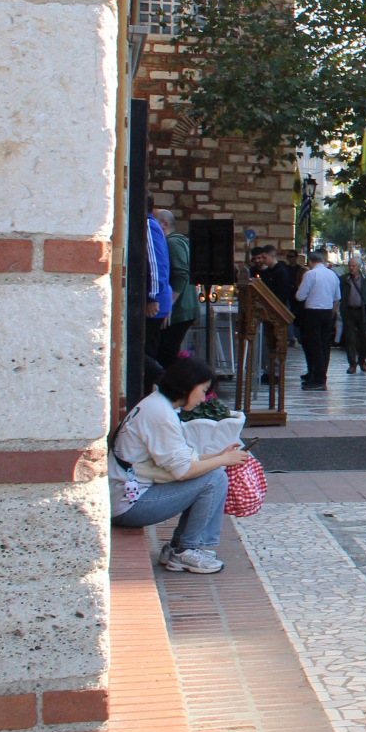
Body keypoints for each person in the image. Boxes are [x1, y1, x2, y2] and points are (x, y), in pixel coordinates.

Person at [110, 358, 246, 574]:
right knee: (215, 478)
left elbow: (179, 459)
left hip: (129, 497)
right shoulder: (161, 414)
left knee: (213, 473)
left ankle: (178, 548)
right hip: (130, 505)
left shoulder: (157, 404)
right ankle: (186, 550)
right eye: (203, 391)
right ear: (187, 385)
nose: (203, 399)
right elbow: (184, 471)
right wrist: (223, 460)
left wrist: (219, 455)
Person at [294, 250, 342, 389]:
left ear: (310, 261)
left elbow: (300, 296)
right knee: (324, 345)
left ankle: (318, 378)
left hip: (313, 312)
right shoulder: (332, 275)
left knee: (314, 345)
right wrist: (331, 313)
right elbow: (337, 297)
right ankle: (321, 375)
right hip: (327, 312)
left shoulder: (310, 274)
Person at [156, 209, 197, 368]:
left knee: (167, 353)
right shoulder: (179, 241)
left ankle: (183, 381)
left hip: (179, 307)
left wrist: (168, 304)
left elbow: (181, 273)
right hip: (184, 306)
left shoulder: (172, 243)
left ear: (165, 224)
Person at [145, 201, 174, 370]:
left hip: (155, 298)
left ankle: (164, 380)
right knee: (148, 351)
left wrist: (153, 297)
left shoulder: (149, 225)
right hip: (160, 296)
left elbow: (156, 264)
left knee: (142, 354)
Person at [341, 257, 366, 372]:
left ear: (359, 267)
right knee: (350, 338)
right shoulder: (344, 279)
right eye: (350, 266)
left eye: (353, 266)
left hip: (363, 312)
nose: (351, 268)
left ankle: (362, 360)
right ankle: (352, 363)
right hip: (349, 311)